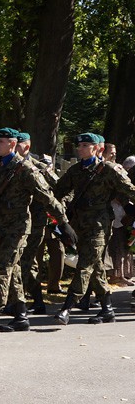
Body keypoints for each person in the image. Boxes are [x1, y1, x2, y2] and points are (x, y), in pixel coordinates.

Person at [0, 128, 75, 334]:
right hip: (0, 226)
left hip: (18, 227)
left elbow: (47, 197)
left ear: (12, 144)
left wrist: (63, 222)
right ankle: (21, 315)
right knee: (14, 271)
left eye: (2, 141)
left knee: (2, 269)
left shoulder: (25, 169)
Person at [53, 133, 135, 325]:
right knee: (96, 267)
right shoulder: (75, 170)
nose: (79, 148)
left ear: (97, 148)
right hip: (79, 224)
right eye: (79, 145)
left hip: (99, 225)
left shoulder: (109, 170)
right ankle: (107, 309)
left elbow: (130, 191)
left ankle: (67, 308)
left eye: (85, 145)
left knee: (84, 265)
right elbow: (58, 192)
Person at [15, 132, 60, 314]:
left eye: (17, 144)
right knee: (23, 261)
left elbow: (58, 187)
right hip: (16, 221)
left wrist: (58, 215)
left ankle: (30, 299)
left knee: (26, 260)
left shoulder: (37, 166)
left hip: (35, 220)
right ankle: (28, 300)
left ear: (26, 146)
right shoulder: (9, 165)